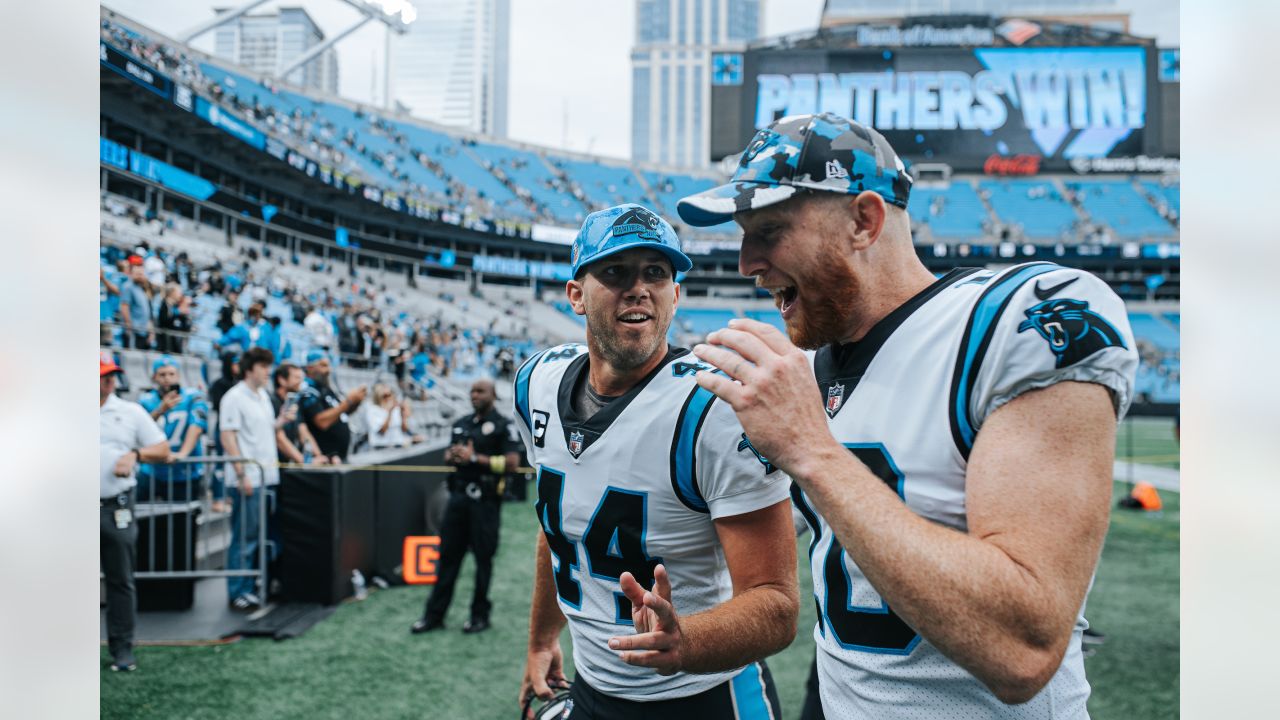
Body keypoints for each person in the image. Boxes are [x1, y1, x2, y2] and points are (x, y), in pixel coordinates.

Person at [676, 112, 1139, 717]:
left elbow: (1023, 647)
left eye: (768, 230)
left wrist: (813, 452)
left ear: (864, 221)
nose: (747, 261)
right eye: (744, 234)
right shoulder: (813, 367)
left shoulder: (1007, 323)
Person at [514, 204, 798, 719]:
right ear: (576, 294)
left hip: (704, 698)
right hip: (593, 687)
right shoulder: (537, 382)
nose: (638, 288)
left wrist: (685, 638)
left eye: (655, 273)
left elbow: (776, 604)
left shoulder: (712, 408)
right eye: (615, 272)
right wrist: (540, 639)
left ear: (675, 294)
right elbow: (557, 524)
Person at [412, 379, 520, 636]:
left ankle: (479, 616)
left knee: (483, 561)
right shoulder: (461, 424)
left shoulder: (504, 426)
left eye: (480, 391)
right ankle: (434, 615)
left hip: (485, 503)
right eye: (471, 391)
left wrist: (474, 458)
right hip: (458, 501)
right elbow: (448, 457)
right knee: (448, 559)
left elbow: (512, 463)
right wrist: (452, 457)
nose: (474, 395)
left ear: (493, 395)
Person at [100, 351, 170, 672]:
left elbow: (162, 448)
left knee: (120, 580)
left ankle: (123, 650)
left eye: (110, 374)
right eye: (102, 375)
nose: (108, 380)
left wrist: (135, 454)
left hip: (116, 506)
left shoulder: (129, 411)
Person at [218, 347, 286, 610]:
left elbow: (264, 431)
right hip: (249, 478)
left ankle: (250, 584)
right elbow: (228, 436)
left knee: (257, 537)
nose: (268, 372)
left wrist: (280, 423)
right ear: (250, 369)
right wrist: (241, 472)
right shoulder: (234, 398)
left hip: (267, 475)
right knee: (244, 537)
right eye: (264, 367)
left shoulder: (263, 397)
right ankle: (238, 590)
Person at [137, 356, 209, 503]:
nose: (167, 379)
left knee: (182, 521)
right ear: (154, 377)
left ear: (179, 376)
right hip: (152, 470)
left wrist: (182, 454)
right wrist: (160, 410)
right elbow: (139, 430)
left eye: (171, 374)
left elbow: (196, 426)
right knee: (145, 520)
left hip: (184, 471)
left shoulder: (193, 397)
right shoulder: (146, 400)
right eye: (162, 374)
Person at [298, 349, 367, 463]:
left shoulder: (326, 388)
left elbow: (341, 413)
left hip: (339, 456)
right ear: (310, 367)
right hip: (325, 459)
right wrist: (348, 401)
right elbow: (322, 422)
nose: (328, 370)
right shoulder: (308, 391)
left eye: (328, 366)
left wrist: (356, 401)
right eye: (323, 366)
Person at [271, 362, 328, 466]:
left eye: (301, 378)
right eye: (296, 378)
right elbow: (279, 438)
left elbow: (303, 431)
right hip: (274, 465)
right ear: (281, 380)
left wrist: (320, 457)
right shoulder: (272, 402)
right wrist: (304, 461)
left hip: (289, 465)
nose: (301, 382)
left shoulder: (294, 402)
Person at [364, 383, 420, 449]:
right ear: (377, 397)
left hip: (397, 445)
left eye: (390, 394)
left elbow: (404, 429)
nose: (388, 398)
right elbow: (382, 431)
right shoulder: (373, 410)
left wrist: (403, 414)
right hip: (381, 447)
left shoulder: (396, 409)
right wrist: (390, 412)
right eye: (385, 396)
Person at [118, 261, 154, 350]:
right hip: (133, 332)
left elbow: (146, 312)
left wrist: (150, 331)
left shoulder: (141, 289)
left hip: (142, 331)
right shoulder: (128, 287)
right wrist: (129, 326)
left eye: (142, 274)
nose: (140, 276)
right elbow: (124, 306)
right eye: (138, 274)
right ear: (131, 274)